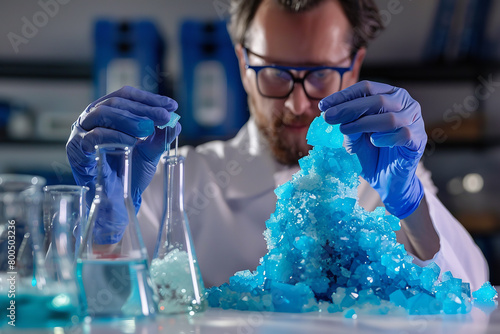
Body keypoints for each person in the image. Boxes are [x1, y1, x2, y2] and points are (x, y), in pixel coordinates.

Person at [67, 0, 488, 290]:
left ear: (354, 64)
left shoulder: (385, 178)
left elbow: (471, 295)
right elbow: (98, 307)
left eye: (320, 73)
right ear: (242, 64)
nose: (296, 101)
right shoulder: (176, 179)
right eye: (274, 73)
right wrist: (105, 220)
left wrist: (410, 205)